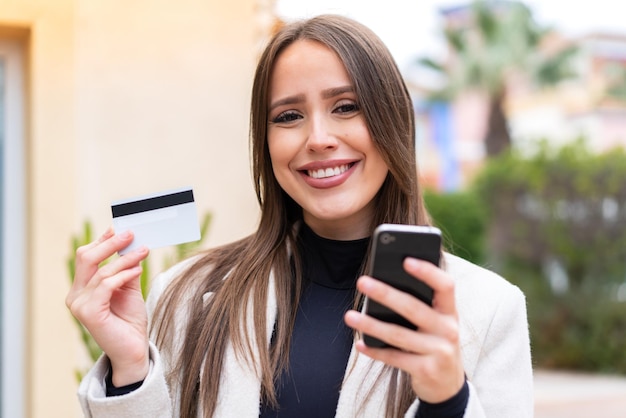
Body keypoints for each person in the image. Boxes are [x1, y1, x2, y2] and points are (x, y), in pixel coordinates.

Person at [66, 14, 533, 418]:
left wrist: (447, 400)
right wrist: (129, 373)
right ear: (265, 143)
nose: (318, 138)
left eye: (346, 107)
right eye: (288, 116)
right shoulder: (185, 293)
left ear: (394, 121)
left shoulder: (488, 310)